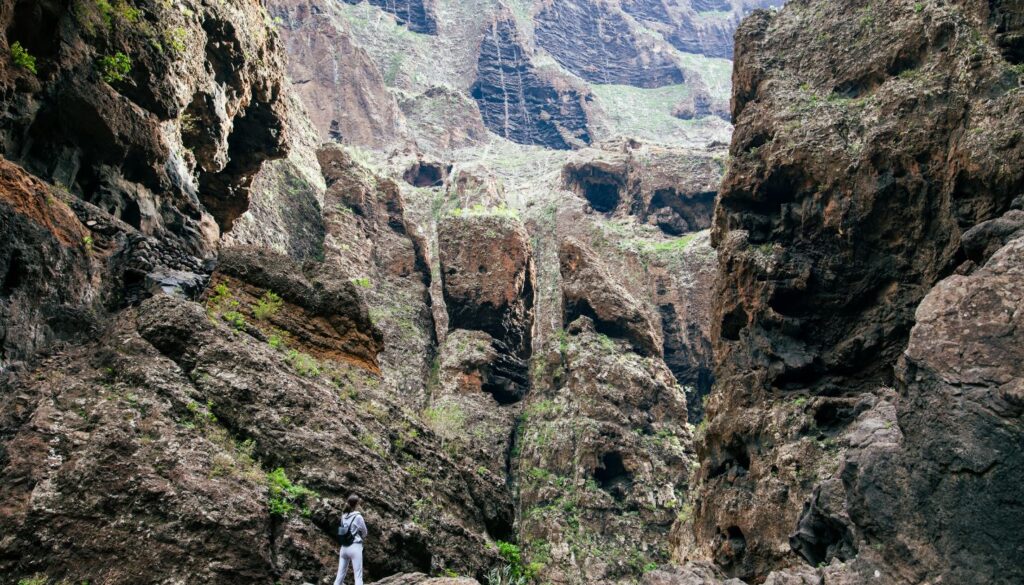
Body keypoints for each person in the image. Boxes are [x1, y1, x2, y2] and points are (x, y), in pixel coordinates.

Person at [333, 495, 368, 585]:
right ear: (356, 504)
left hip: (344, 547)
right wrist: (360, 536)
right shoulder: (358, 517)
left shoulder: (343, 516)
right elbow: (365, 532)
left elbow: (342, 530)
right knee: (358, 576)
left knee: (340, 576)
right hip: (355, 547)